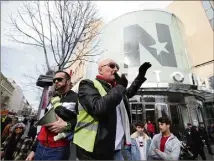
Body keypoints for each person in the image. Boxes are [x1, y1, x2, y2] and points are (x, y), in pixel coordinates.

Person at [73, 58, 151, 160]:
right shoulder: (88, 84)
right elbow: (98, 108)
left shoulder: (116, 90)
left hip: (116, 149)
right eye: (112, 66)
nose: (116, 69)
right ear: (100, 70)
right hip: (93, 152)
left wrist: (140, 76)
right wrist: (120, 87)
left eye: (117, 67)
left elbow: (129, 92)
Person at [25, 71, 78, 160]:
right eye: (54, 80)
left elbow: (83, 122)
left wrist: (67, 125)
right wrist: (33, 151)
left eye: (59, 79)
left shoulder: (77, 98)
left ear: (68, 81)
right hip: (40, 147)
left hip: (58, 150)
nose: (56, 81)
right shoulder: (52, 100)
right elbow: (44, 126)